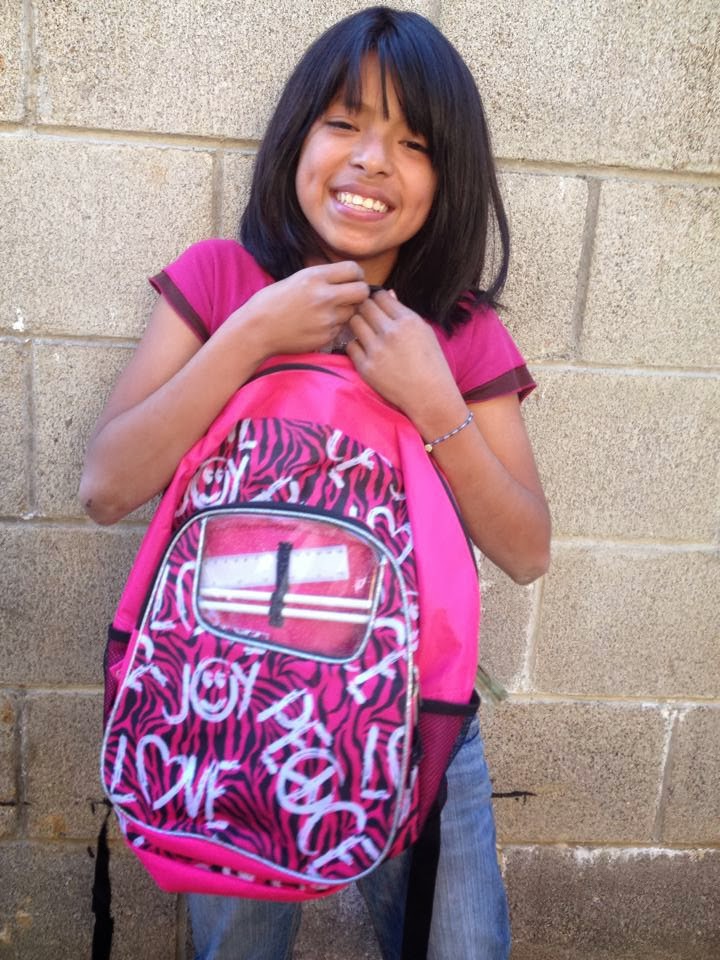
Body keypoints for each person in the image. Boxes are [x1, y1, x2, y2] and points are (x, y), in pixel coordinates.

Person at [80, 6, 550, 959]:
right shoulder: (222, 281)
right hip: (225, 705)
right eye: (345, 123)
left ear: (448, 179)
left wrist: (433, 398)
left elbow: (525, 549)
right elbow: (107, 486)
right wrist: (251, 334)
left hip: (411, 715)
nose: (373, 160)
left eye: (414, 143)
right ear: (298, 136)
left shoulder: (458, 331)